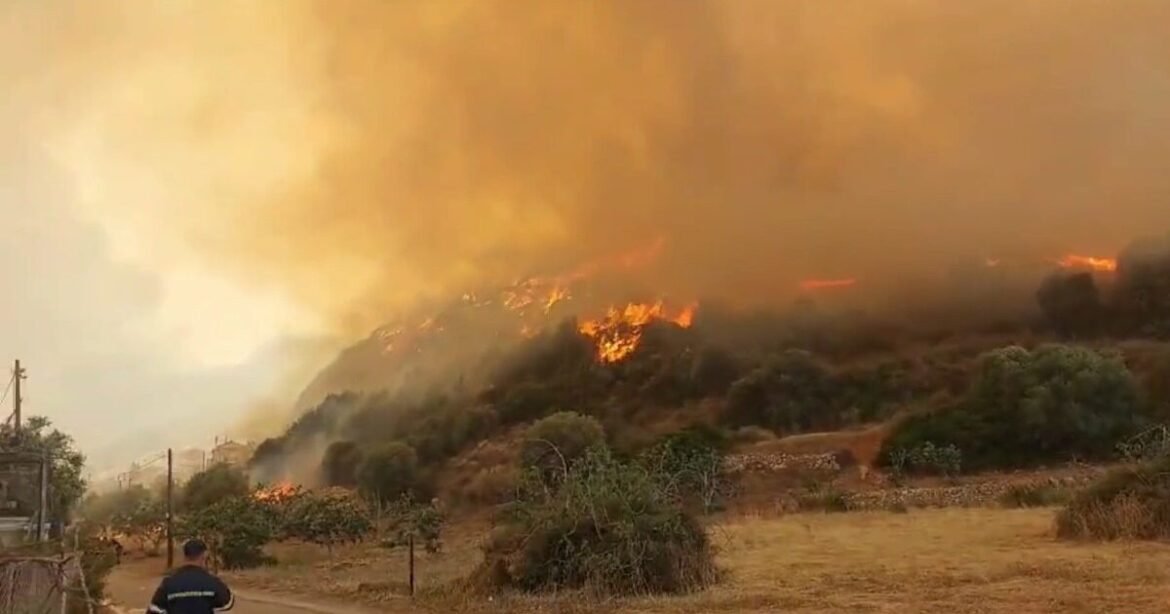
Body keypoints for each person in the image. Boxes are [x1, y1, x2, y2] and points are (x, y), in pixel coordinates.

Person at [146, 539, 234, 613]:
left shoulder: (169, 582)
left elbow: (154, 610)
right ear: (204, 555)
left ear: (185, 555)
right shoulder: (211, 581)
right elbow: (228, 603)